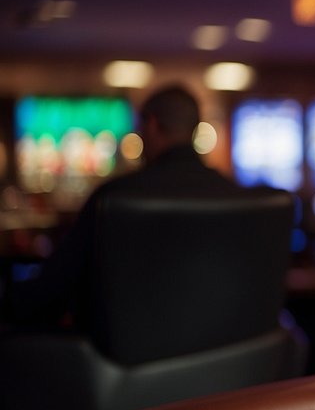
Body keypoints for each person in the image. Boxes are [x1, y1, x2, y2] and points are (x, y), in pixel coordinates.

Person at [2, 84, 242, 327]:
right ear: (194, 128)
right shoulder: (237, 198)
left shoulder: (113, 198)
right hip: (222, 351)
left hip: (126, 357)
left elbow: (50, 290)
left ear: (151, 124)